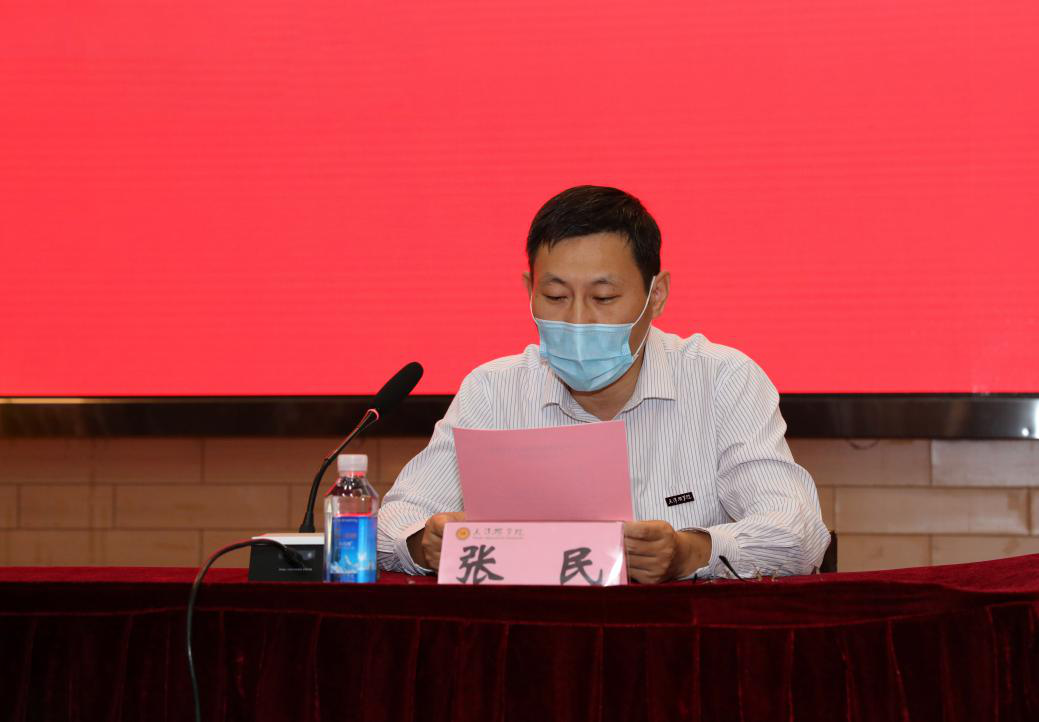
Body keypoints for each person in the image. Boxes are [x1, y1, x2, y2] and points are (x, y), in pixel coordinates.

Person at [377, 185, 829, 582]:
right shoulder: (493, 390)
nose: (578, 320)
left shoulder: (723, 381)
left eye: (603, 297)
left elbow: (799, 533)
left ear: (656, 295)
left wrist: (690, 552)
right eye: (555, 296)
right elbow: (388, 523)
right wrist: (424, 544)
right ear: (529, 290)